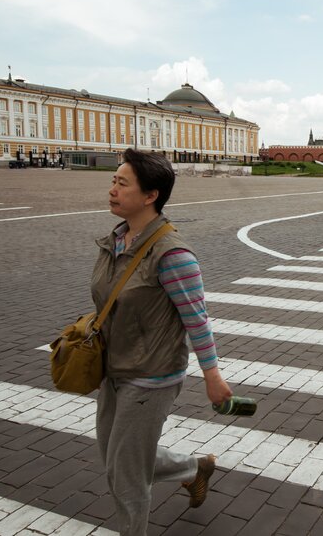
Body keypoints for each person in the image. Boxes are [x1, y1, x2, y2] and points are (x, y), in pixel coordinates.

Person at [97, 149, 233, 535]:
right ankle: (193, 468)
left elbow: (197, 319)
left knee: (126, 476)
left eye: (122, 184)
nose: (112, 190)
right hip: (114, 369)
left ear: (150, 195)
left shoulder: (173, 254)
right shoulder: (116, 241)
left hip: (151, 377)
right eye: (113, 181)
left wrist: (212, 375)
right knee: (116, 457)